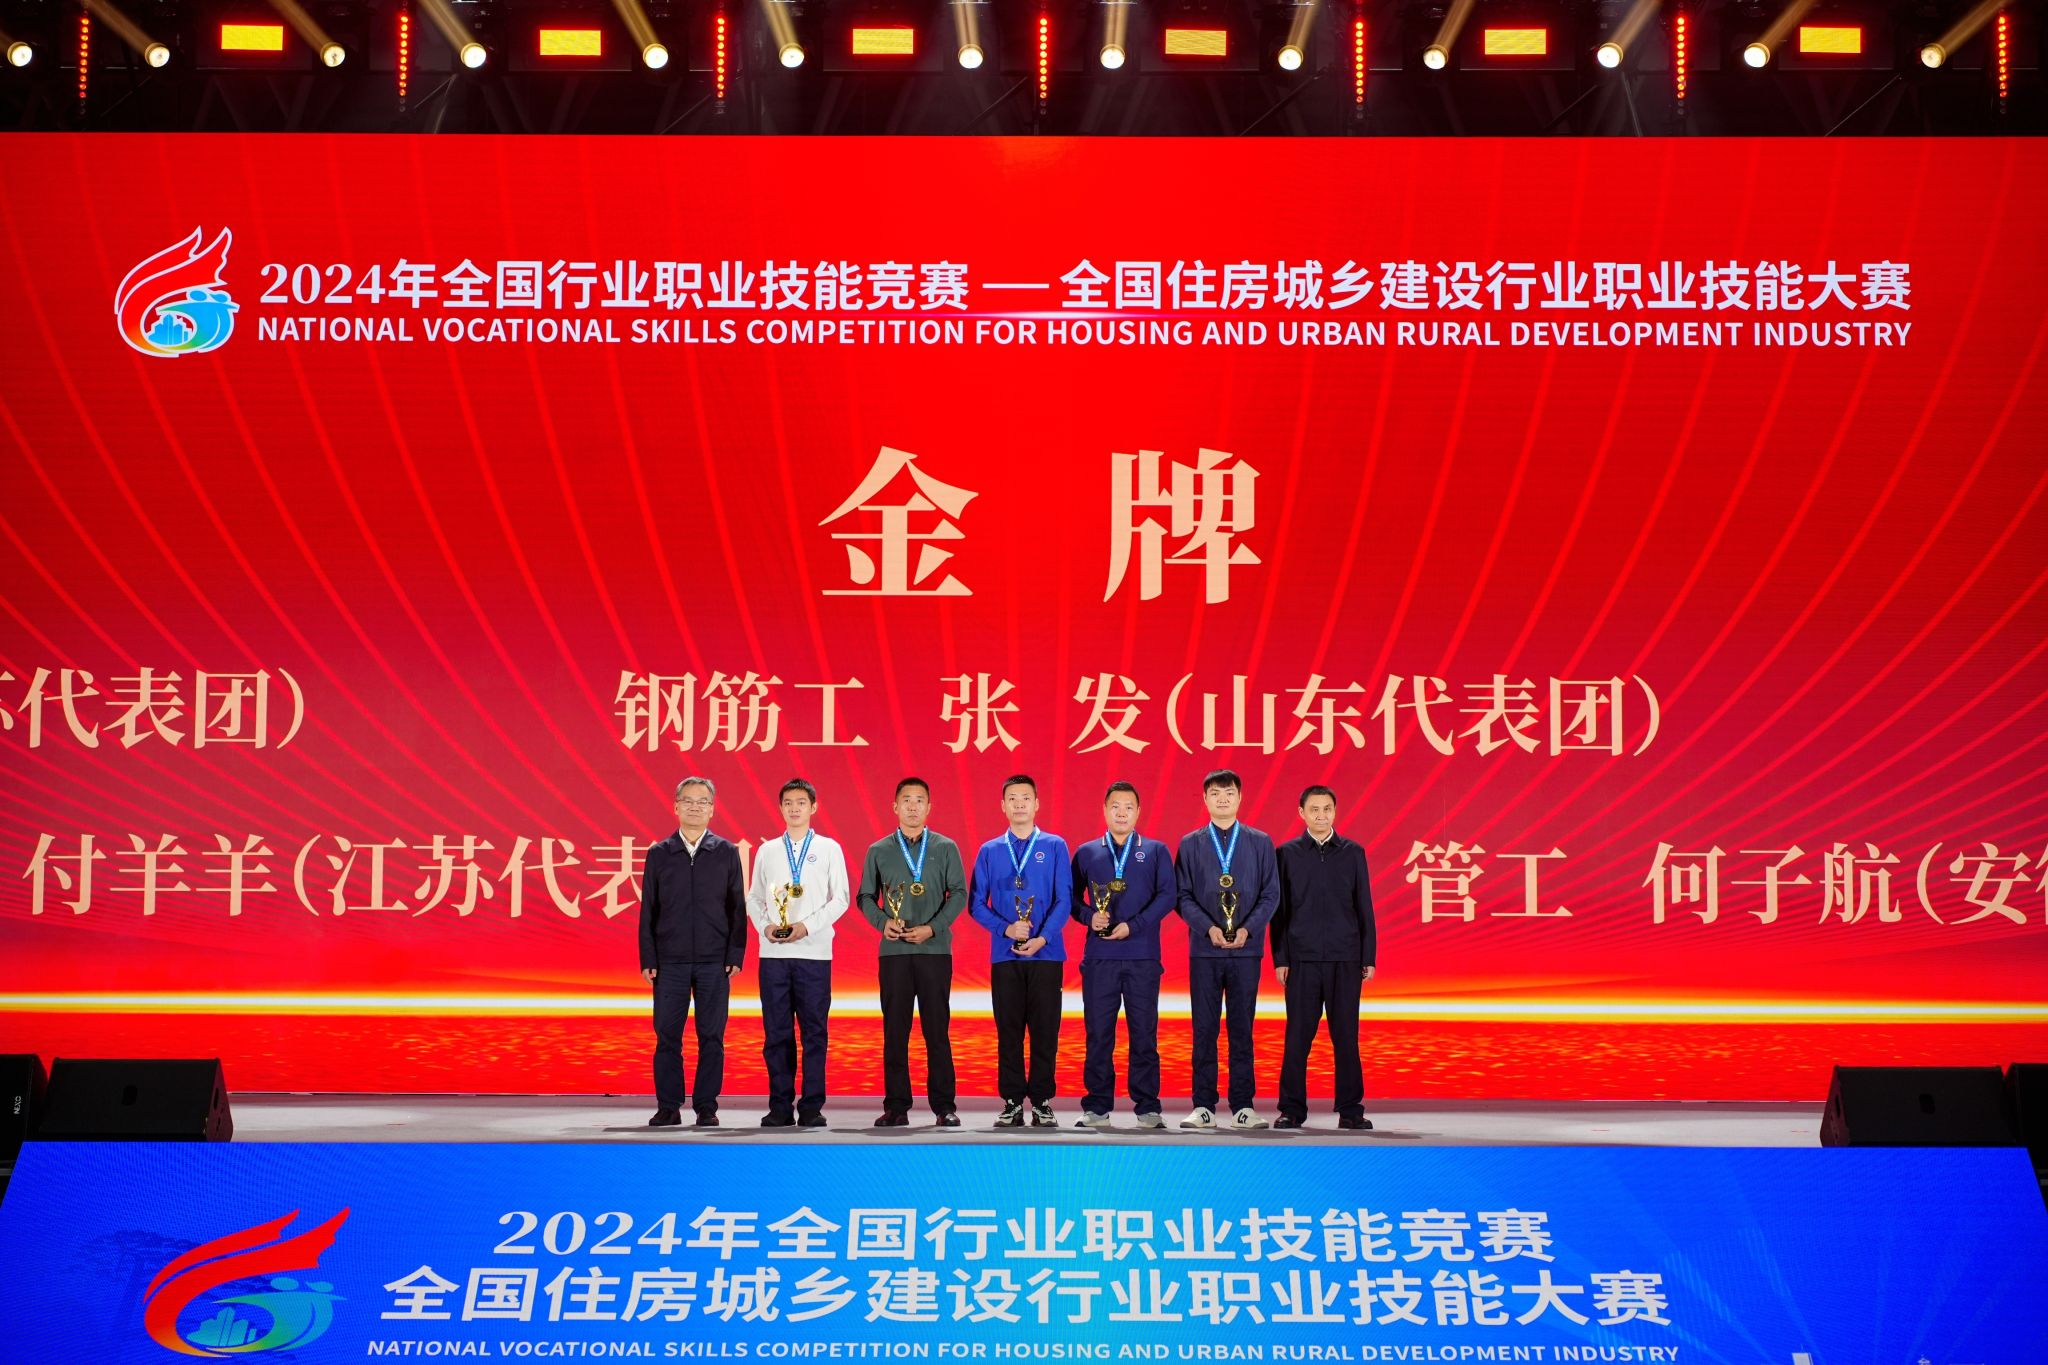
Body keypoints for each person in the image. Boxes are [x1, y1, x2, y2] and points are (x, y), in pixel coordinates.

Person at [855, 777, 969, 1128]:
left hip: (935, 950)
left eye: (920, 799)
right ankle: (896, 1107)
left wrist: (933, 928)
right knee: (895, 1031)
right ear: (895, 807)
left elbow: (959, 893)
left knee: (937, 1030)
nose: (913, 806)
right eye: (907, 799)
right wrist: (882, 923)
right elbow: (865, 897)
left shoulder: (946, 847)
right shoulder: (878, 850)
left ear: (929, 807)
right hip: (894, 952)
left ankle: (944, 1106)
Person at [1173, 769, 1279, 1130]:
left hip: (1246, 951)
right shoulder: (1190, 844)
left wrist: (1248, 929)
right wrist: (1209, 928)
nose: (1222, 799)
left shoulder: (1260, 842)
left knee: (1241, 1029)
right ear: (1204, 799)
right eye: (1215, 793)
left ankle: (1243, 1106)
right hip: (1205, 950)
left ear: (1240, 797)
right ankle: (1203, 1106)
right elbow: (1182, 896)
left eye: (1229, 792)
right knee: (1204, 1028)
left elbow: (1271, 894)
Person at [638, 776, 747, 1129]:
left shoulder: (726, 852)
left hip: (715, 961)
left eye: (703, 802)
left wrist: (735, 954)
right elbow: (648, 909)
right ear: (676, 806)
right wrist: (649, 958)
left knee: (712, 1036)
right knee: (667, 1036)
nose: (695, 807)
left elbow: (737, 907)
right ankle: (668, 1106)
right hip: (669, 961)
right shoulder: (659, 854)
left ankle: (706, 1106)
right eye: (688, 801)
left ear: (712, 810)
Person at [745, 778, 852, 1129]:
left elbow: (840, 898)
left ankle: (811, 1107)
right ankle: (779, 1106)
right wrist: (766, 927)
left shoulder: (829, 848)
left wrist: (806, 927)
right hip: (773, 954)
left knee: (814, 1033)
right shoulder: (767, 851)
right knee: (776, 1033)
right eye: (788, 803)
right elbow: (754, 897)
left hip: (815, 954)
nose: (794, 808)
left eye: (801, 802)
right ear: (780, 808)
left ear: (813, 807)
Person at [1069, 781, 1175, 1129]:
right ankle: (1097, 1107)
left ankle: (1148, 1107)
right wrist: (1089, 916)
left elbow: (1168, 896)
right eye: (1115, 806)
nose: (1121, 813)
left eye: (1129, 806)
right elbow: (1070, 899)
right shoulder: (1087, 852)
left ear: (1138, 812)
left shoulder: (1156, 851)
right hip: (1100, 957)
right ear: (1104, 810)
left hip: (1142, 956)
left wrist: (1135, 925)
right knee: (1099, 1034)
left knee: (1144, 1034)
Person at [968, 774, 1072, 1128]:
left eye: (1025, 797)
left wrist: (1043, 938)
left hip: (1047, 955)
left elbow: (1064, 899)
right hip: (1005, 955)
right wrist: (1007, 929)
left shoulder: (1055, 846)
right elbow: (976, 904)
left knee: (1045, 1031)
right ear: (1003, 805)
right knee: (1008, 1031)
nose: (1019, 804)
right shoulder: (990, 850)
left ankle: (1042, 1101)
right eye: (1012, 798)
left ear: (1037, 803)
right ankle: (1012, 1101)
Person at [1272, 785, 1378, 1131]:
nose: (1321, 815)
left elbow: (1364, 906)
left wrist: (1368, 955)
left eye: (1327, 809)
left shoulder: (1353, 853)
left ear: (1335, 811)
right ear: (1301, 813)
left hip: (1345, 958)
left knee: (1346, 1037)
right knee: (1297, 1038)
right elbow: (1279, 911)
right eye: (1314, 809)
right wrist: (1281, 958)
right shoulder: (1286, 853)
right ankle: (1291, 1109)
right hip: (1301, 960)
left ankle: (1350, 1109)